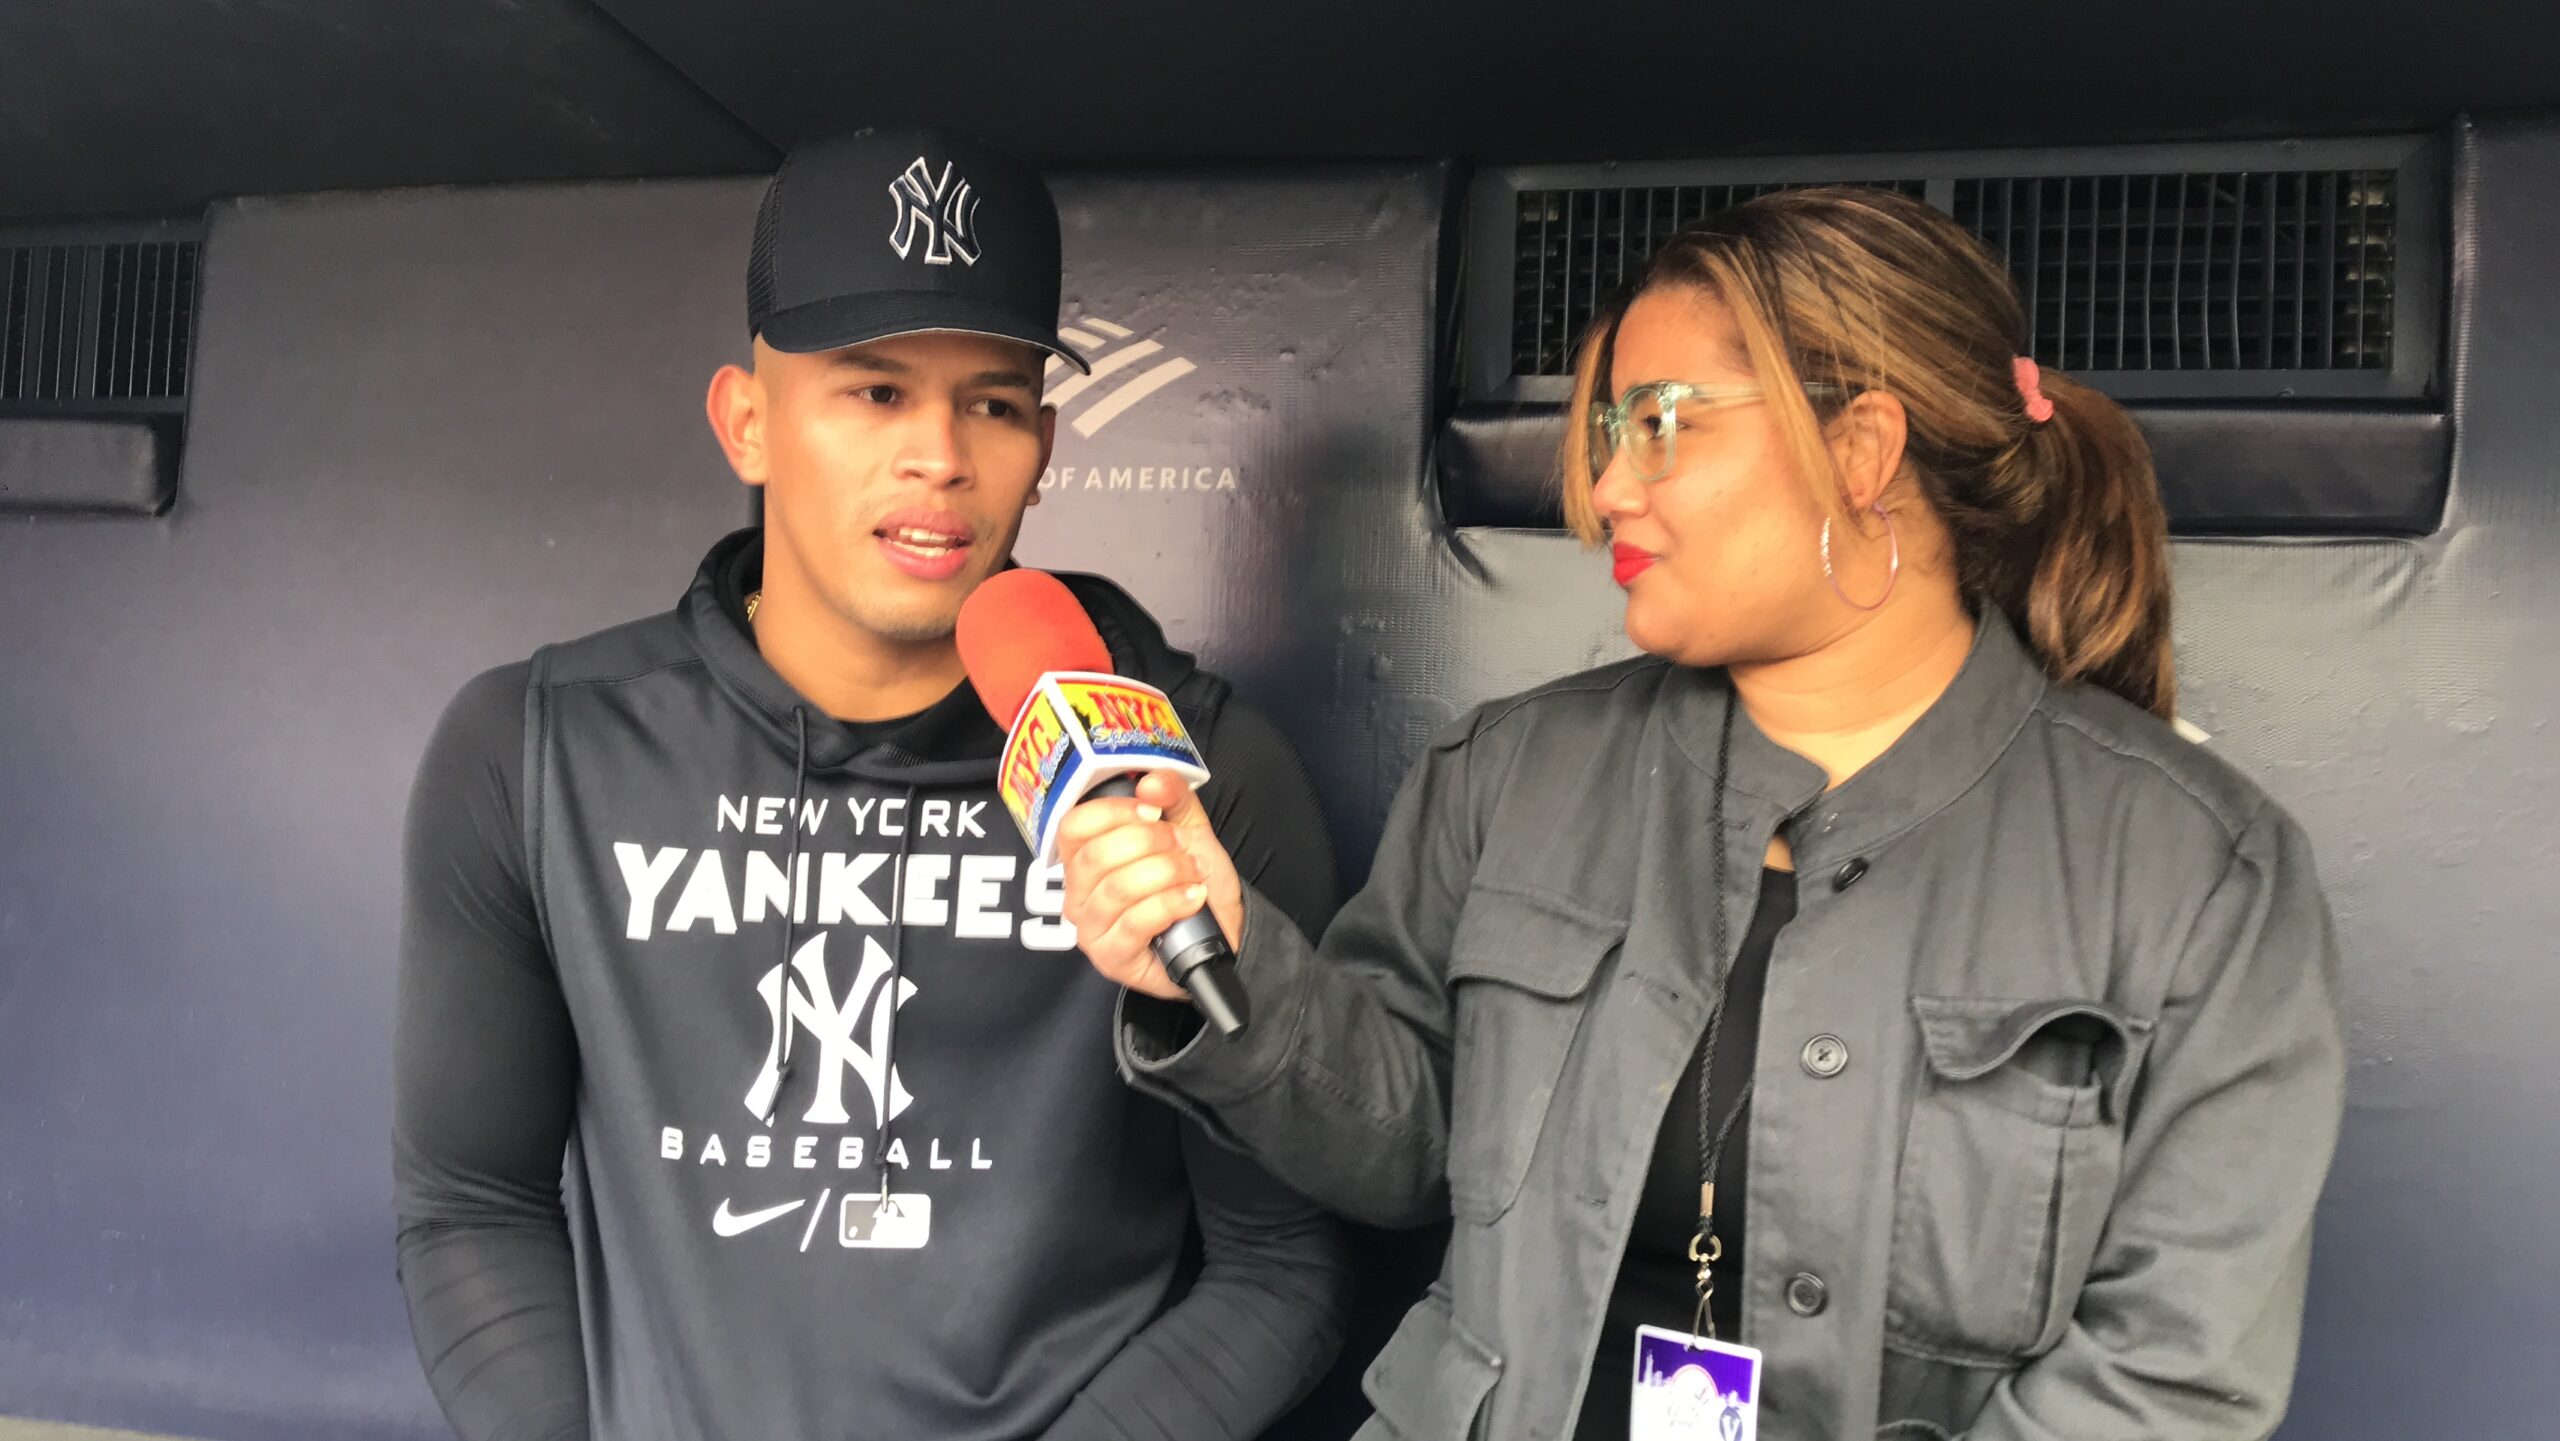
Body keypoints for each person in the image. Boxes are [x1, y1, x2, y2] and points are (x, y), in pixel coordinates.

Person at [1057, 187, 2347, 1440]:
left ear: (1863, 450)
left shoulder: (2203, 875)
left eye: (1661, 423)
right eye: (1608, 429)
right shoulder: (1511, 775)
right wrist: (1224, 955)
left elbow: (2169, 1377)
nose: (1608, 487)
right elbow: (1404, 1151)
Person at [393, 125, 1352, 1440]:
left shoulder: (1190, 775)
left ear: (1046, 443)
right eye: (875, 390)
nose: (941, 456)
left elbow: (1281, 1268)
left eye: (995, 402)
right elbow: (469, 1208)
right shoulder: (535, 749)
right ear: (748, 422)